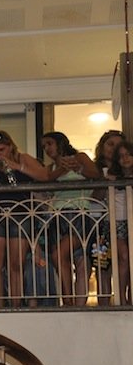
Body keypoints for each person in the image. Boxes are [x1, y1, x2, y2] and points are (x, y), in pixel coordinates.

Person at [0, 130, 48, 308]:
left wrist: (15, 166)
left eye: (2, 149)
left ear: (10, 146)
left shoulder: (23, 158)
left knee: (16, 264)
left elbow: (44, 176)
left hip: (20, 215)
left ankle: (16, 303)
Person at [41, 131, 102, 306]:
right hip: (58, 216)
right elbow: (46, 180)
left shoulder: (80, 157)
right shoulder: (50, 168)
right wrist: (62, 168)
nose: (47, 149)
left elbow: (95, 174)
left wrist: (77, 167)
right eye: (44, 146)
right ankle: (69, 300)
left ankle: (70, 301)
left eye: (49, 144)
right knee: (62, 257)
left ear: (60, 143)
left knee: (61, 255)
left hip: (79, 213)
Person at [98, 141, 133, 305]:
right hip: (113, 221)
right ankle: (121, 297)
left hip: (131, 221)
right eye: (121, 156)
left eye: (128, 154)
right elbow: (97, 195)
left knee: (128, 258)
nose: (125, 159)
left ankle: (128, 296)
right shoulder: (109, 174)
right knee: (121, 257)